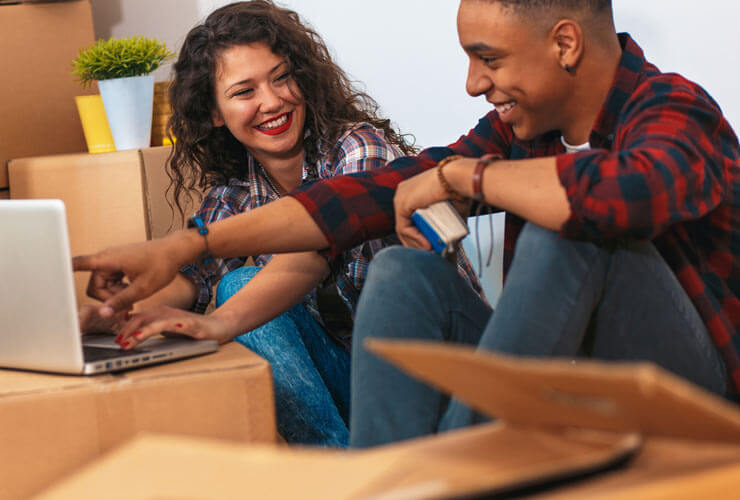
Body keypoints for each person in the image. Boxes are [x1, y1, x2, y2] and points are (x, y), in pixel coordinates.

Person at [75, 0, 739, 449]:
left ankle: (457, 473)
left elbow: (624, 196)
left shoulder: (673, 107)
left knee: (564, 226)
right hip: (568, 394)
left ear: (564, 43)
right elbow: (357, 200)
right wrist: (188, 244)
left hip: (696, 400)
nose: (476, 83)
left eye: (490, 59)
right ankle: (391, 477)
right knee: (400, 269)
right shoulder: (516, 134)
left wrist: (465, 178)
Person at [79, 0, 486, 448]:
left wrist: (221, 317)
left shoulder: (359, 149)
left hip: (441, 382)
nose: (272, 101)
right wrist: (115, 313)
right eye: (244, 91)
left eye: (282, 77)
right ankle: (339, 472)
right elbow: (188, 281)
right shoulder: (236, 195)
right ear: (214, 113)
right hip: (359, 386)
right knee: (233, 284)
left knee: (239, 292)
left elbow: (315, 247)